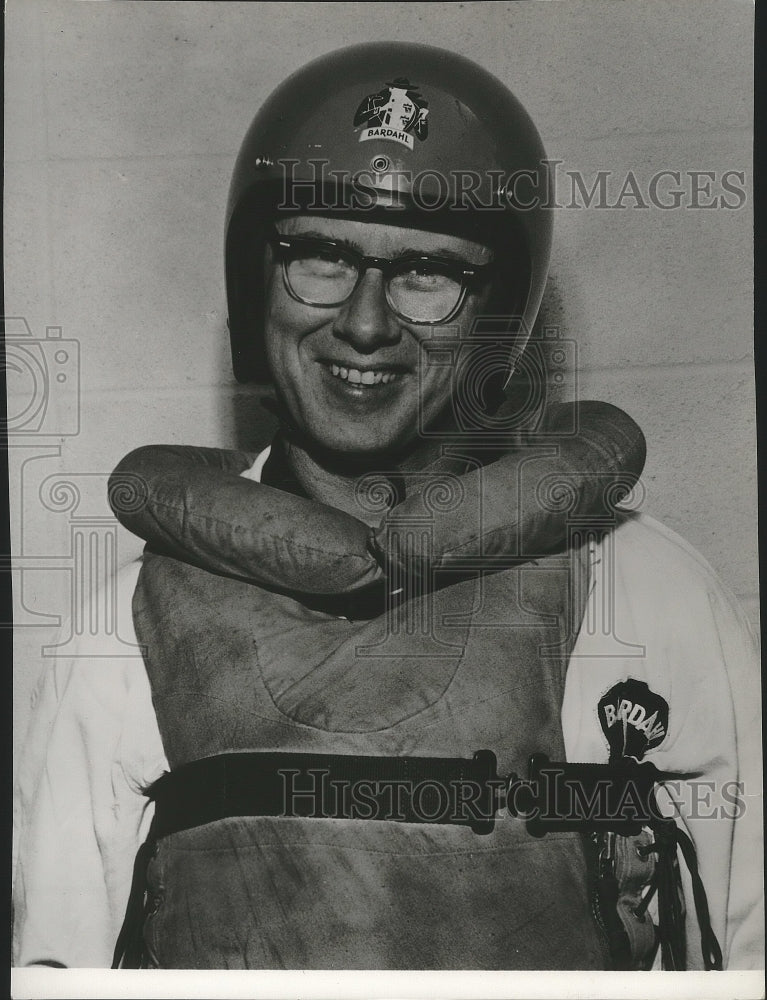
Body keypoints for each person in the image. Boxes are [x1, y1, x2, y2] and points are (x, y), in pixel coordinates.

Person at [12, 42, 762, 972]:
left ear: (498, 310)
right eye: (320, 257)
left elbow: (747, 950)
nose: (366, 324)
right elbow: (56, 972)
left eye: (426, 273)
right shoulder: (120, 630)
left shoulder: (650, 594)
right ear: (257, 281)